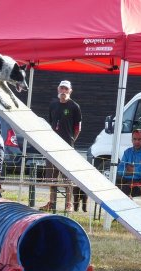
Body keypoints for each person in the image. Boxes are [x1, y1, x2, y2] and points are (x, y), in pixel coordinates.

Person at [40, 80, 82, 212]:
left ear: (70, 91)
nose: (63, 91)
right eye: (61, 88)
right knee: (52, 176)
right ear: (58, 90)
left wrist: (71, 141)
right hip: (52, 145)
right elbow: (51, 122)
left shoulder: (74, 106)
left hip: (67, 146)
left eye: (66, 89)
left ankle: (68, 203)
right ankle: (52, 202)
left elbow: (78, 127)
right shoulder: (53, 104)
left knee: (67, 177)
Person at [116, 129, 141, 197]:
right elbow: (119, 170)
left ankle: (126, 207)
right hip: (127, 180)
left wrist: (129, 169)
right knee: (108, 185)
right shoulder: (127, 152)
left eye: (140, 139)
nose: (137, 141)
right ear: (131, 140)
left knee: (123, 190)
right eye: (134, 139)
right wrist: (135, 169)